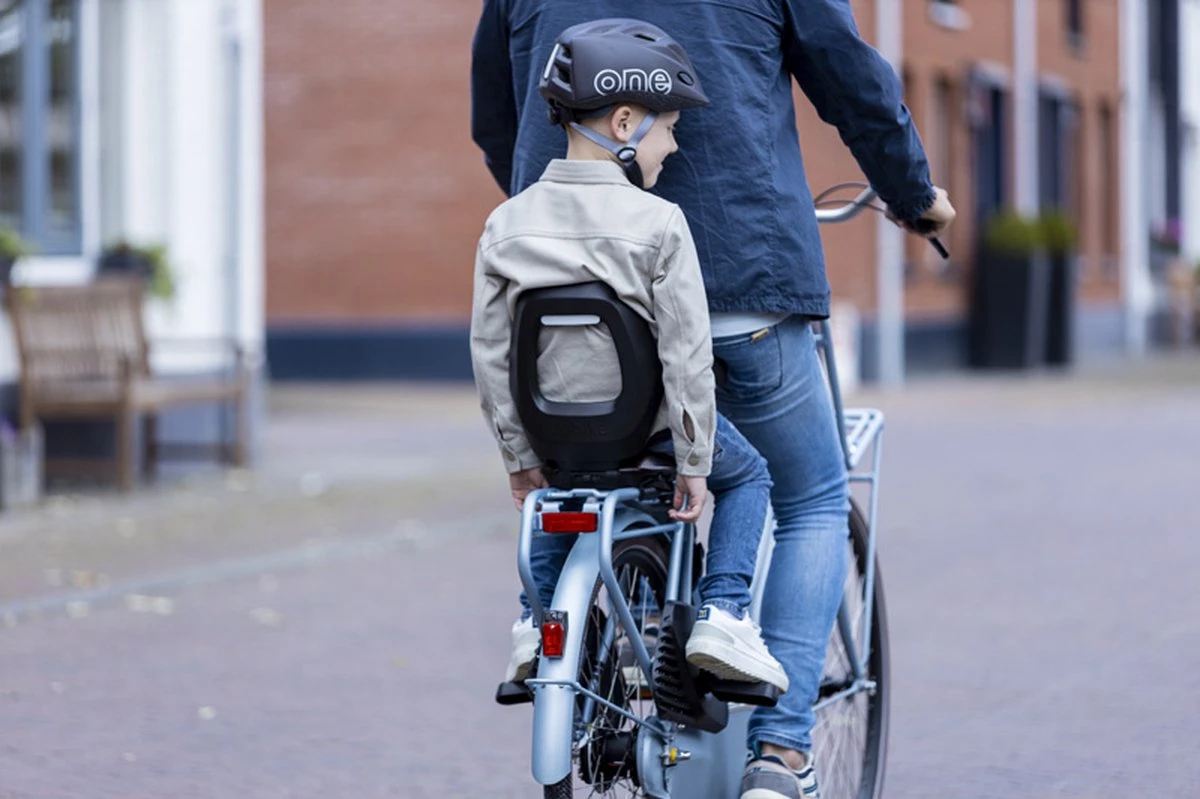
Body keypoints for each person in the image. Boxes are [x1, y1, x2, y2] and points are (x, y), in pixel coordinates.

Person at [471, 3, 957, 797]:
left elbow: (495, 115)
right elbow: (850, 80)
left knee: (593, 466)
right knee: (811, 496)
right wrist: (912, 193)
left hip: (567, 296)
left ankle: (593, 637)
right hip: (744, 275)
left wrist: (567, 223)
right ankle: (782, 754)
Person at [470, 18, 790, 697]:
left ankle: (535, 621)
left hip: (555, 433)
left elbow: (492, 353)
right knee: (752, 476)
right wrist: (694, 463)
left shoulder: (505, 225)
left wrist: (518, 455)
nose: (672, 146)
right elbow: (685, 356)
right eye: (667, 128)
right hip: (648, 431)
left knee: (555, 491)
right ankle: (724, 615)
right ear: (623, 123)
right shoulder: (659, 223)